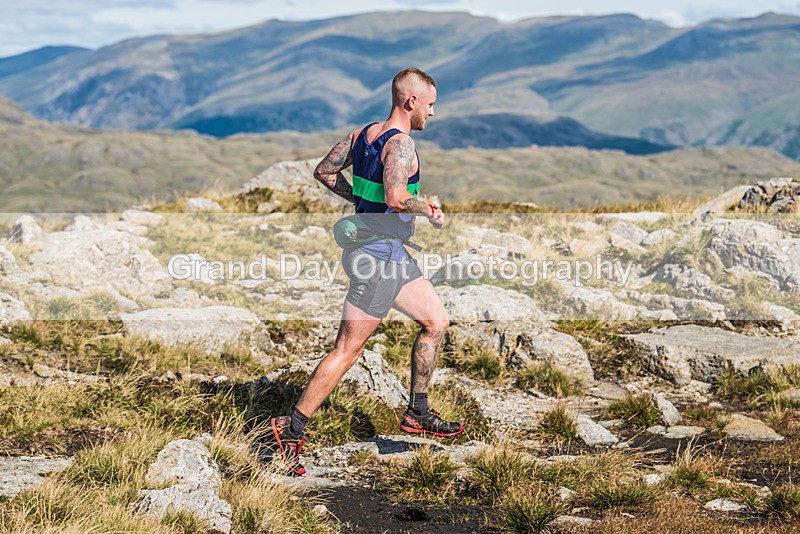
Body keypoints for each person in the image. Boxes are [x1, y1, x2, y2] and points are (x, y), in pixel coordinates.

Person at [265, 68, 464, 476]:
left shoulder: (362, 135)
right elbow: (396, 196)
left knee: (436, 321)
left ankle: (418, 412)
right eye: (430, 105)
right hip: (378, 258)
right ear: (411, 101)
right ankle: (290, 428)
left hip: (390, 252)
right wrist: (428, 209)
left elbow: (324, 172)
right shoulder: (401, 144)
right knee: (347, 350)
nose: (432, 113)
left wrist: (358, 199)